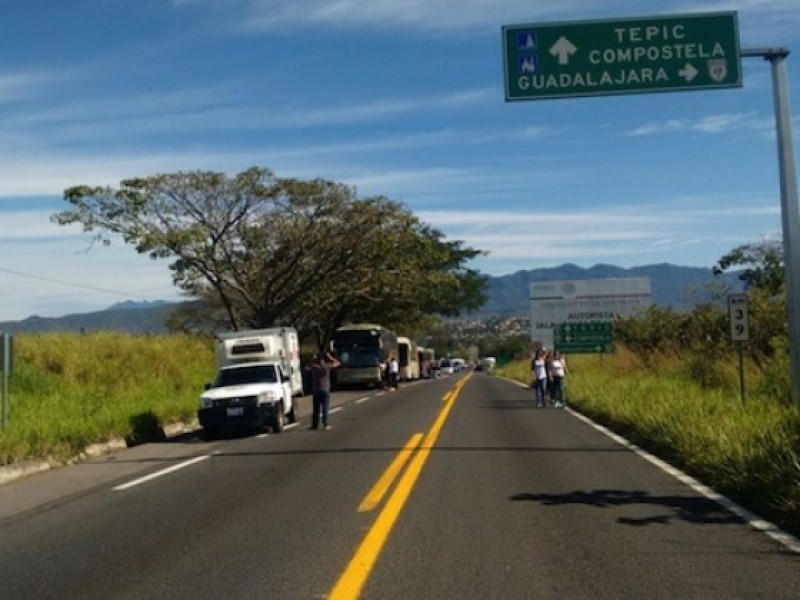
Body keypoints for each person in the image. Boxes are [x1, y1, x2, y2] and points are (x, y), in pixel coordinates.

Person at [309, 352, 340, 430]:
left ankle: (314, 425)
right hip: (325, 389)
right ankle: (325, 424)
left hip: (316, 390)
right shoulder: (326, 366)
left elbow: (310, 364)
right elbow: (338, 363)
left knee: (316, 408)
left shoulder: (315, 367)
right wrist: (331, 358)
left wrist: (314, 359)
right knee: (325, 407)